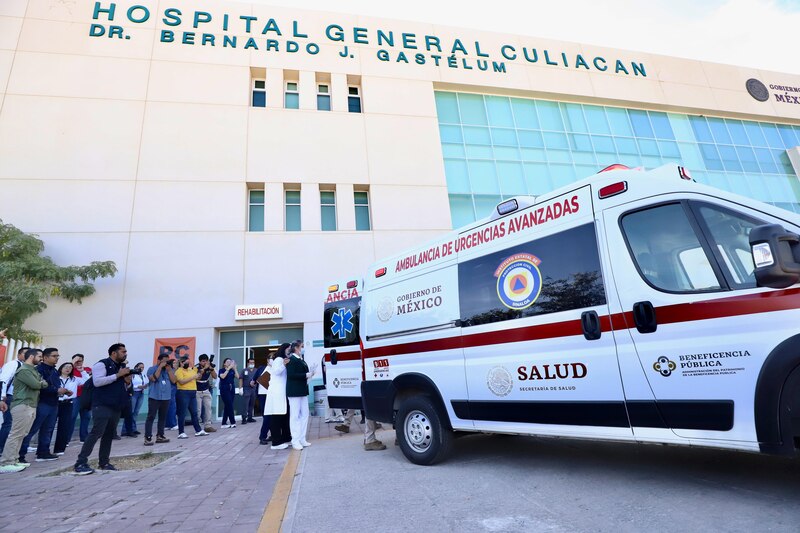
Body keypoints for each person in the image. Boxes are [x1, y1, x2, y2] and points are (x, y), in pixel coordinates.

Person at [73, 343, 133, 475]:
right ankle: (81, 462)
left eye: (126, 351)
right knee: (96, 432)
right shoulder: (101, 365)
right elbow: (98, 382)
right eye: (123, 351)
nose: (125, 354)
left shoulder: (121, 367)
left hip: (115, 406)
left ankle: (104, 462)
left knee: (108, 435)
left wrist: (127, 382)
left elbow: (121, 387)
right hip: (102, 405)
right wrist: (117, 375)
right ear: (113, 353)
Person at [0, 348, 47, 474]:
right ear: (31, 357)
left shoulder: (33, 370)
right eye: (40, 356)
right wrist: (41, 383)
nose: (42, 359)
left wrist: (41, 383)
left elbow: (42, 383)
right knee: (15, 434)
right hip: (22, 404)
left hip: (30, 404)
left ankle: (14, 460)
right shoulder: (24, 370)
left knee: (22, 434)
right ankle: (6, 462)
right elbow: (37, 385)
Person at [20, 347, 67, 462]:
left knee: (48, 429)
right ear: (45, 357)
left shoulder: (54, 371)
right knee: (32, 429)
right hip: (41, 403)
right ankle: (20, 455)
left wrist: (61, 391)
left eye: (58, 356)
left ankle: (43, 452)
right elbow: (39, 386)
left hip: (53, 403)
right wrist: (56, 390)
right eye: (54, 356)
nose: (57, 358)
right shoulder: (38, 370)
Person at [285, 341, 316, 450]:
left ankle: (302, 438)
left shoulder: (300, 359)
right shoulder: (291, 360)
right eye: (302, 347)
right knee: (295, 416)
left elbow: (303, 373)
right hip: (294, 391)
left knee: (305, 414)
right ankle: (295, 440)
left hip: (302, 390)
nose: (303, 348)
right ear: (296, 348)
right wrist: (306, 375)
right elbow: (291, 375)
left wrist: (311, 373)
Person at [0, 347, 27, 455]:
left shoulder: (27, 367)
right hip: (10, 396)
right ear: (19, 355)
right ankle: (1, 448)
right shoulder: (13, 364)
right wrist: (2, 397)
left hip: (20, 398)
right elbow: (3, 380)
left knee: (15, 425)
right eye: (25, 353)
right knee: (9, 423)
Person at [263, 344, 291, 450]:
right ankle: (276, 442)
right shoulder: (279, 359)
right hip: (276, 392)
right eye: (288, 349)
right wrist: (284, 364)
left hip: (281, 392)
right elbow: (275, 372)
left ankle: (284, 438)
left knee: (282, 416)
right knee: (276, 417)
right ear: (284, 349)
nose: (290, 351)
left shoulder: (282, 359)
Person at [143, 354, 174, 445]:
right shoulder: (151, 369)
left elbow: (174, 380)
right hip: (154, 397)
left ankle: (160, 436)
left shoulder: (168, 369)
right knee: (151, 417)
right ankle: (148, 437)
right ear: (159, 360)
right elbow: (153, 378)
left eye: (167, 361)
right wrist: (160, 367)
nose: (166, 363)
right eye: (165, 361)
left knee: (163, 417)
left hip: (166, 397)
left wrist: (169, 371)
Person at [174, 356, 207, 439]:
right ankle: (181, 432)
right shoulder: (179, 371)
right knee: (182, 413)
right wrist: (194, 377)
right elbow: (181, 381)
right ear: (181, 363)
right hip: (183, 393)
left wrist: (200, 373)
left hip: (193, 392)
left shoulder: (191, 370)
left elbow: (198, 377)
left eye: (189, 362)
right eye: (186, 362)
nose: (188, 364)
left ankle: (198, 430)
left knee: (194, 413)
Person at [53, 362, 78, 455]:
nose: (68, 369)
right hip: (56, 402)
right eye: (66, 367)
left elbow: (86, 380)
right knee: (50, 425)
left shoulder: (74, 379)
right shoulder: (55, 378)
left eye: (70, 367)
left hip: (68, 403)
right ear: (61, 368)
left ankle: (59, 449)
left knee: (64, 426)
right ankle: (44, 448)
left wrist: (82, 371)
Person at [70, 354, 92, 443]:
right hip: (76, 397)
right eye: (77, 361)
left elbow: (89, 381)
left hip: (86, 397)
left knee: (86, 417)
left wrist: (83, 371)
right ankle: (67, 439)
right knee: (72, 417)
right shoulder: (70, 369)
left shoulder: (87, 369)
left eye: (81, 361)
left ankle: (84, 437)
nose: (79, 363)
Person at [194, 354, 217, 433]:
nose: (205, 363)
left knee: (208, 408)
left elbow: (215, 376)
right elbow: (198, 377)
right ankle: (197, 427)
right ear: (200, 362)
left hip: (206, 390)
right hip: (197, 391)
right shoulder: (196, 367)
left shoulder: (209, 367)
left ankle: (208, 425)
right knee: (198, 410)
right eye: (203, 361)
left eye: (206, 361)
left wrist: (211, 369)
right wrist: (204, 368)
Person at [126, 362, 147, 436]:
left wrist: (145, 386)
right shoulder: (133, 374)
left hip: (141, 393)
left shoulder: (142, 375)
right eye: (140, 367)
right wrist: (138, 387)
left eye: (143, 367)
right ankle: (126, 430)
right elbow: (130, 384)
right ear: (136, 367)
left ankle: (134, 428)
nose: (141, 369)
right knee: (130, 412)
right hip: (134, 393)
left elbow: (145, 382)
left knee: (136, 412)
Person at [217, 358, 238, 428]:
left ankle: (223, 423)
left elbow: (238, 377)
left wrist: (235, 369)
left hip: (232, 388)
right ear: (224, 364)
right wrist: (228, 368)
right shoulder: (221, 370)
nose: (229, 363)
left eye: (230, 362)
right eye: (228, 362)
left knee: (228, 405)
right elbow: (222, 377)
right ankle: (233, 422)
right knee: (229, 405)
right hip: (224, 388)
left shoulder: (232, 370)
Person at [240, 357, 257, 424]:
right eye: (250, 362)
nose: (252, 364)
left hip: (254, 389)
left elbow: (259, 378)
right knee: (245, 404)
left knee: (252, 404)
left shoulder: (256, 370)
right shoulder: (244, 370)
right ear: (248, 363)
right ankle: (244, 418)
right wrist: (240, 388)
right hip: (246, 389)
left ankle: (250, 417)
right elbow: (241, 379)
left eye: (253, 362)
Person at [165, 358, 178, 430]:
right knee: (172, 407)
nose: (176, 364)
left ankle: (167, 424)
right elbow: (174, 381)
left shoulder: (176, 370)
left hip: (174, 390)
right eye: (174, 363)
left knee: (170, 407)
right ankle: (173, 424)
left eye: (176, 363)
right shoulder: (171, 371)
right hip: (171, 390)